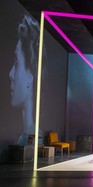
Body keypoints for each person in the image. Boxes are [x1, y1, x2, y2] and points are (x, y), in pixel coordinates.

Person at [9, 14, 47, 145]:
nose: (10, 74)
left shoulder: (30, 136)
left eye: (16, 63)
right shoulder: (26, 136)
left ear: (30, 79)